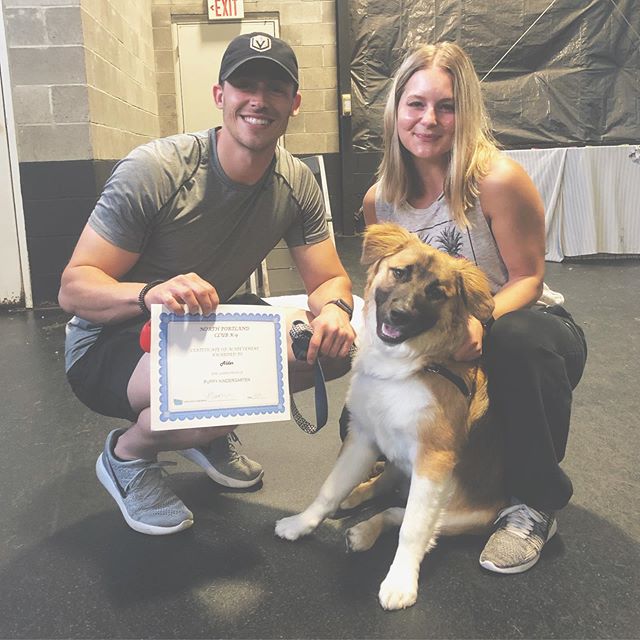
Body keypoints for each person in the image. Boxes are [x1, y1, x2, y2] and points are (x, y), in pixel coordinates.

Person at [58, 32, 356, 536]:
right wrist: (148, 291)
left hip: (203, 325)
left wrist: (335, 312)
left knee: (329, 354)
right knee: (216, 387)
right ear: (221, 95)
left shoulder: (295, 182)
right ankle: (128, 456)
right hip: (108, 341)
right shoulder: (157, 170)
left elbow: (328, 277)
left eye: (274, 89)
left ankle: (202, 433)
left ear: (294, 104)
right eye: (244, 85)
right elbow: (73, 287)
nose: (258, 100)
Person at [361, 41, 587, 574]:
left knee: (517, 342)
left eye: (446, 106)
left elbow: (530, 277)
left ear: (467, 112)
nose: (429, 120)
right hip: (441, 336)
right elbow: (384, 288)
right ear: (396, 109)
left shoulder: (497, 180)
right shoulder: (381, 199)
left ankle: (534, 504)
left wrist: (478, 321)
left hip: (526, 325)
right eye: (415, 104)